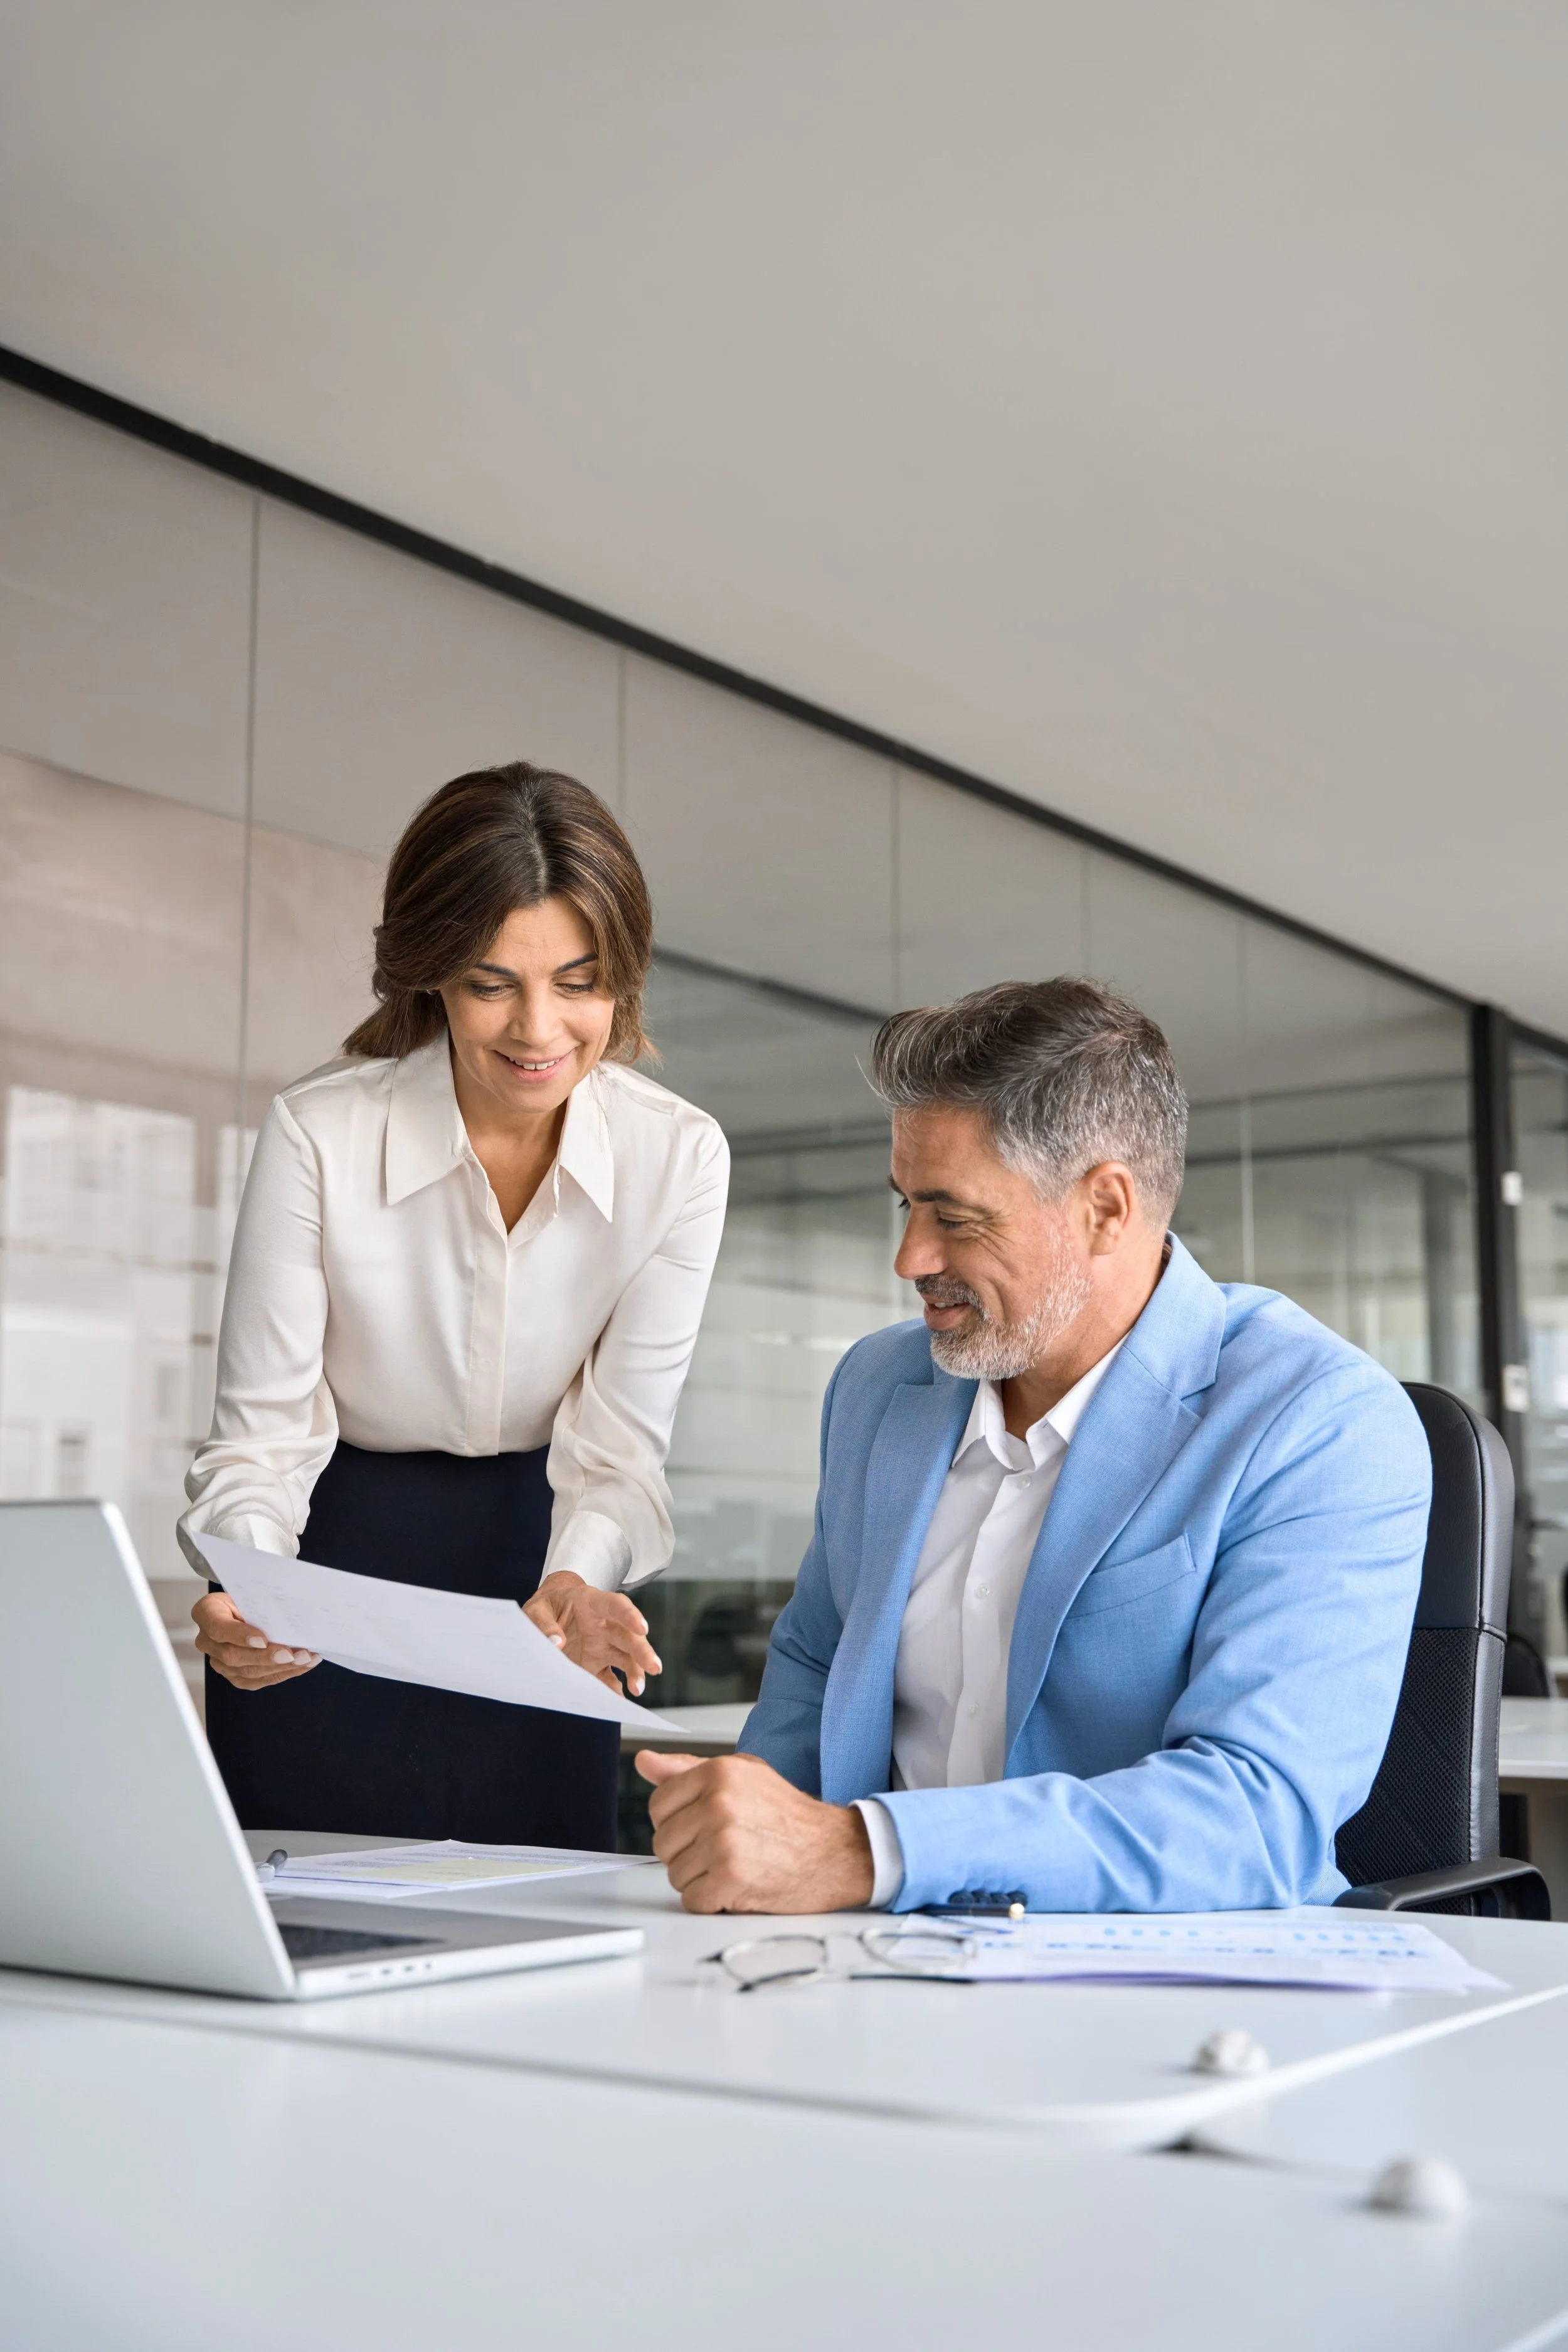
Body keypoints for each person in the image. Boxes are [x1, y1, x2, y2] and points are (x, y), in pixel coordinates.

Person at [637, 977, 1431, 1914]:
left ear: (1106, 1208)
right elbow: (814, 1666)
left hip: (1165, 1987)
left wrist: (870, 1850)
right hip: (859, 1963)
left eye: (955, 1216)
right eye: (906, 1208)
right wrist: (746, 1846)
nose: (911, 1260)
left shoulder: (1320, 1422)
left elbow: (1255, 1811)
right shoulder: (877, 1389)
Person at [183, 761, 728, 1849]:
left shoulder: (680, 1156)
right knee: (308, 1912)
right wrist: (253, 1583)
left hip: (546, 1576)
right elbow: (263, 1438)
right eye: (491, 982)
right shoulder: (319, 1132)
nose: (540, 1029)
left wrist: (579, 1577)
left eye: (579, 981)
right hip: (330, 1564)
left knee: (549, 1928)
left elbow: (621, 1450)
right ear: (429, 974)